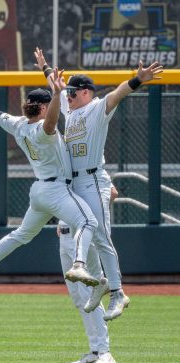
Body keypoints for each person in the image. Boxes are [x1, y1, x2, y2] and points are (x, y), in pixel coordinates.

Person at [36, 48, 163, 319]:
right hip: (73, 184)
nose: (67, 95)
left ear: (85, 92)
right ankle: (99, 281)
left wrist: (137, 80)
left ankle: (118, 293)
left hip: (93, 180)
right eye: (67, 92)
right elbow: (54, 85)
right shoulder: (70, 113)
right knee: (83, 233)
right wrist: (45, 67)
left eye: (72, 92)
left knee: (102, 237)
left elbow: (117, 94)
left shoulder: (95, 109)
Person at [0, 71, 98, 294]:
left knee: (21, 235)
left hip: (39, 191)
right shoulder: (42, 129)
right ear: (44, 108)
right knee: (89, 222)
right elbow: (51, 122)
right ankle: (79, 265)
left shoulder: (17, 124)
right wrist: (56, 94)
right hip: (56, 189)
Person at [59, 185, 119, 363]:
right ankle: (94, 351)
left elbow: (113, 192)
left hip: (82, 236)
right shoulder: (63, 170)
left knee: (89, 294)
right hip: (64, 235)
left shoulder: (87, 170)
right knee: (78, 298)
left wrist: (91, 219)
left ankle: (104, 352)